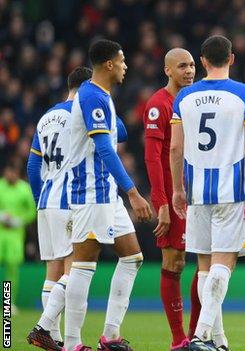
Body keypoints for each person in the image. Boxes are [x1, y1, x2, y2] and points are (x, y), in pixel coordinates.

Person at [170, 35, 245, 351]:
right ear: (232, 59)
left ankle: (219, 341)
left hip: (196, 191)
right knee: (224, 263)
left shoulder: (183, 97)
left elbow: (175, 147)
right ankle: (201, 336)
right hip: (231, 190)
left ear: (204, 61)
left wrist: (177, 190)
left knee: (205, 268)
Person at [63, 39, 152, 351]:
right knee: (84, 264)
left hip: (106, 193)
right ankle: (72, 343)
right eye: (123, 60)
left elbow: (115, 136)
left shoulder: (101, 96)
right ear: (110, 64)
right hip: (89, 192)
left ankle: (110, 336)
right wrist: (133, 192)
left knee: (132, 257)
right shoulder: (90, 95)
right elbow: (103, 148)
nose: (127, 66)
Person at [25, 66, 92, 351]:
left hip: (46, 201)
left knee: (53, 271)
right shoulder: (81, 113)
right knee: (75, 269)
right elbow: (120, 132)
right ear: (87, 86)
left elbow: (32, 165)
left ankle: (54, 338)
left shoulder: (46, 118)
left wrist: (43, 198)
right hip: (70, 199)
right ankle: (46, 329)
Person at [142, 48, 204, 351]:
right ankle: (179, 338)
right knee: (175, 261)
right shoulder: (158, 105)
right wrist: (162, 204)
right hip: (174, 195)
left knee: (206, 261)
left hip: (202, 193)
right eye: (182, 66)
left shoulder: (196, 101)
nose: (189, 71)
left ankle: (195, 335)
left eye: (192, 65)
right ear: (168, 70)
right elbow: (153, 159)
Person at [0, 162, 36, 309]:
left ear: (18, 174)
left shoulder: (24, 189)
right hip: (1, 232)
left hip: (15, 235)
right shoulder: (0, 186)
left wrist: (19, 221)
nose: (11, 175)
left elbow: (32, 211)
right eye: (9, 172)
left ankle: (8, 304)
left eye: (14, 173)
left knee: (12, 270)